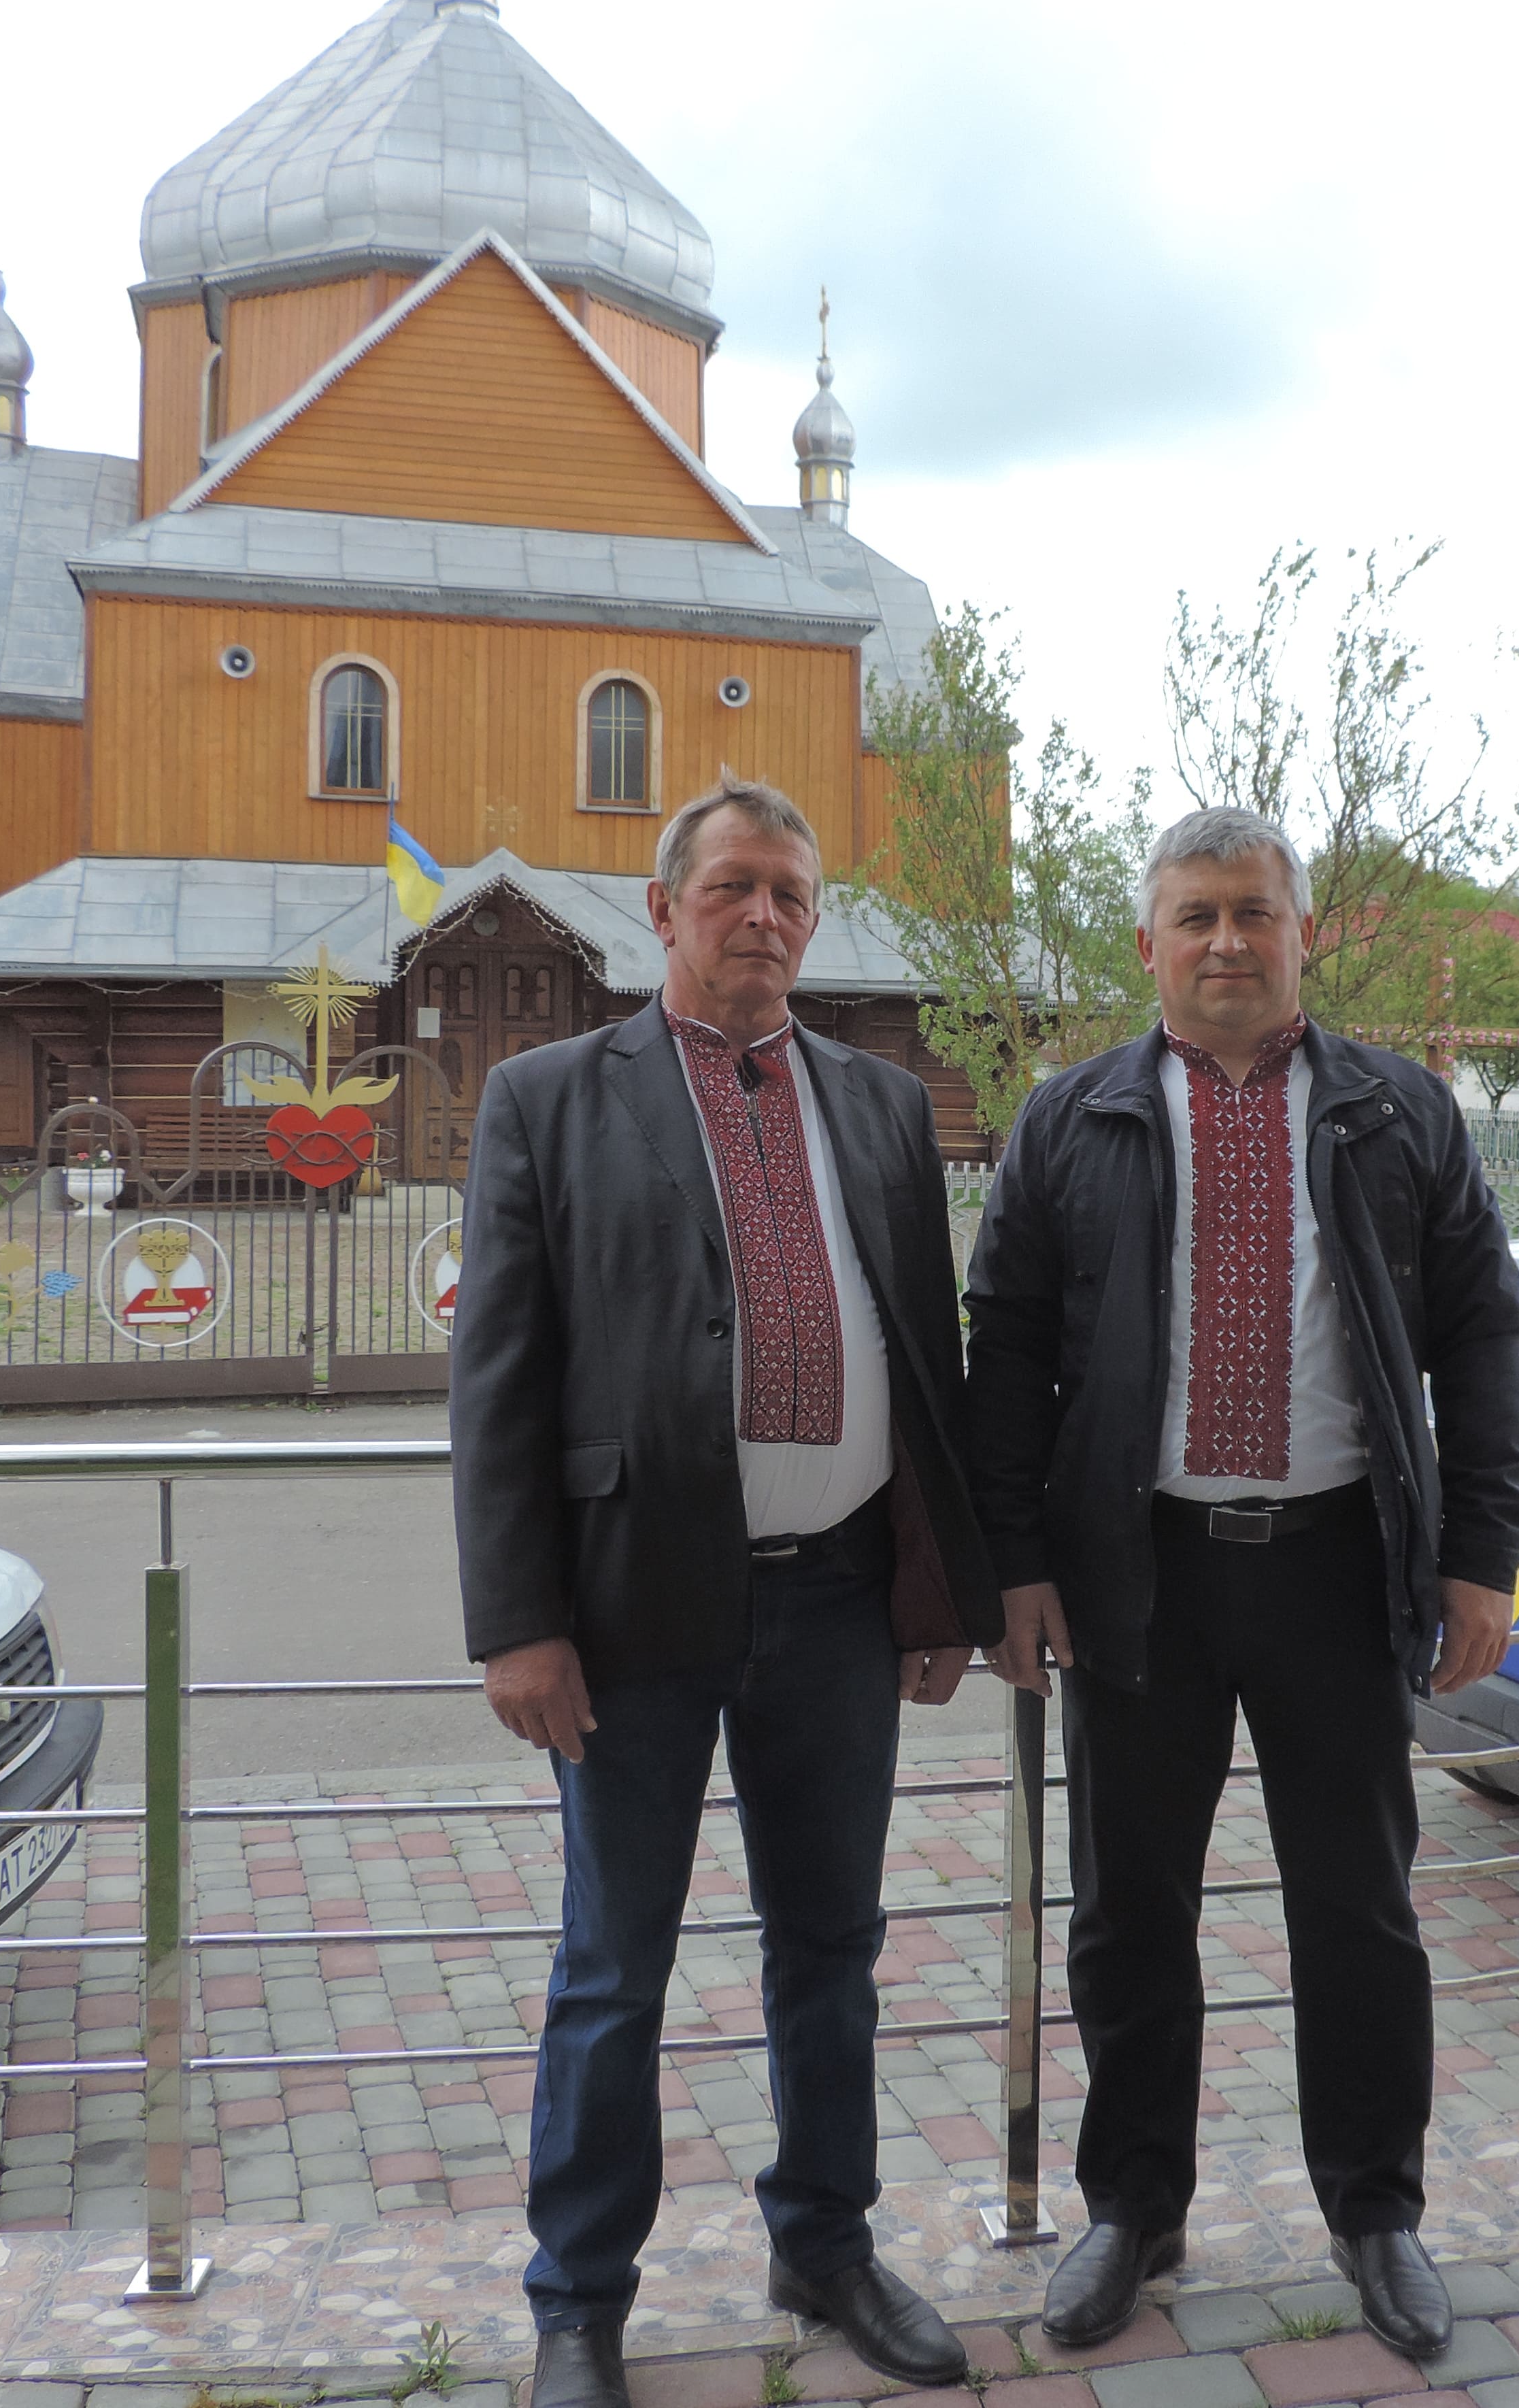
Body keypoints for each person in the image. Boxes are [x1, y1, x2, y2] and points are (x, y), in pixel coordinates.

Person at [452, 775, 1001, 2408]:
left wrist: (941, 1590)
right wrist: (518, 1622)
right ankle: (578, 2302)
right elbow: (499, 1381)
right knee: (613, 1968)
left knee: (832, 1945)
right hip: (630, 1612)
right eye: (735, 887)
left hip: (838, 1603)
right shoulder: (549, 1098)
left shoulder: (883, 1105)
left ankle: (825, 2244)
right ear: (663, 908)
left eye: (792, 894)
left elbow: (930, 1363)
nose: (766, 916)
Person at [964, 805, 1519, 2360]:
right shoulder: (1067, 1121)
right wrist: (1013, 1563)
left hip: (1339, 1570)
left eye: (1253, 912)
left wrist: (1482, 1553)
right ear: (1150, 943)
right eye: (1197, 915)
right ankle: (1133, 2210)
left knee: (1359, 1910)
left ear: (1303, 933)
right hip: (1135, 1573)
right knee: (1128, 1914)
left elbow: (1484, 1333)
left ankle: (1377, 2213)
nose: (1227, 941)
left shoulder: (1399, 1113)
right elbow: (1003, 1350)